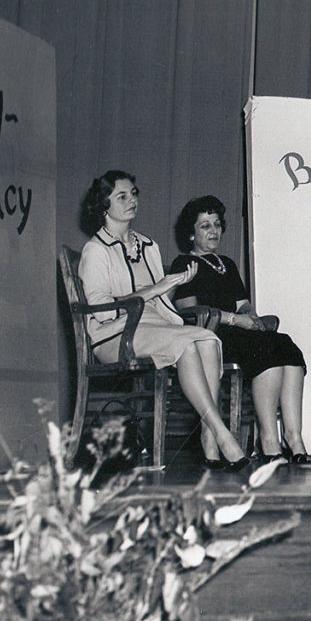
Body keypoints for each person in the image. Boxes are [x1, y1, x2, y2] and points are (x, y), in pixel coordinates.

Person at [79, 171, 249, 470]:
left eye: (134, 193)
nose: (132, 200)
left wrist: (173, 288)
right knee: (185, 343)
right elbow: (101, 309)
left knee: (207, 339)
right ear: (103, 204)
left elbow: (164, 304)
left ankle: (209, 438)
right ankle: (222, 433)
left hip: (156, 328)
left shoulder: (148, 246)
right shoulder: (96, 250)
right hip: (115, 335)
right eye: (122, 196)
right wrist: (156, 288)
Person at [172, 196, 311, 464]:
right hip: (210, 336)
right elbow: (189, 310)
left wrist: (250, 316)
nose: (213, 231)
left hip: (238, 331)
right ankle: (269, 441)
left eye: (216, 224)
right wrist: (236, 320)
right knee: (266, 351)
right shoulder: (184, 264)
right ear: (191, 234)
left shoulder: (226, 263)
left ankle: (294, 438)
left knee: (286, 346)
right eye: (204, 226)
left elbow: (243, 304)